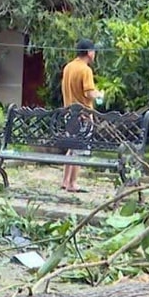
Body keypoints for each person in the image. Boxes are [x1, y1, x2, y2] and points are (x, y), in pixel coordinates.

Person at [60, 39, 103, 192]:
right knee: (79, 149)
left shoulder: (68, 67)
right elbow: (89, 92)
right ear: (89, 52)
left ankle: (65, 181)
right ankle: (72, 183)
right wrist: (100, 94)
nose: (95, 54)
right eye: (94, 51)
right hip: (83, 116)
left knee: (72, 148)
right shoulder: (85, 70)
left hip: (68, 113)